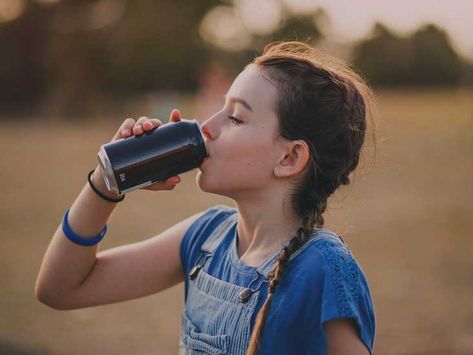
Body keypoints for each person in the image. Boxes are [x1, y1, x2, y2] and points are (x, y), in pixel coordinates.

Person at [35, 41, 376, 355]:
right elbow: (61, 289)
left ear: (289, 159)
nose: (205, 126)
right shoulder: (206, 236)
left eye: (235, 117)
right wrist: (107, 182)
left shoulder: (324, 268)